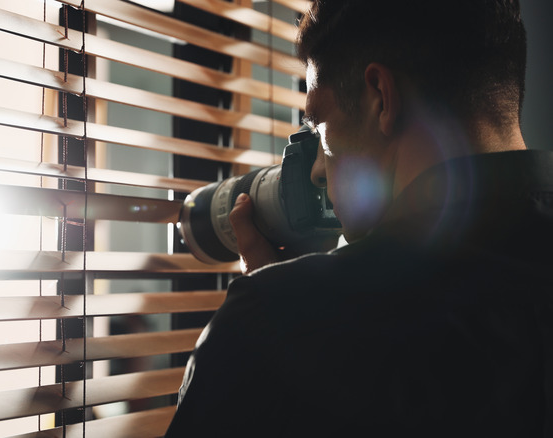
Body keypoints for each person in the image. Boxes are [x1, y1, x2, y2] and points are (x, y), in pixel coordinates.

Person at [165, 0, 553, 436]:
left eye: (320, 123)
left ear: (381, 98)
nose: (317, 169)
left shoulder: (270, 323)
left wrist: (276, 318)